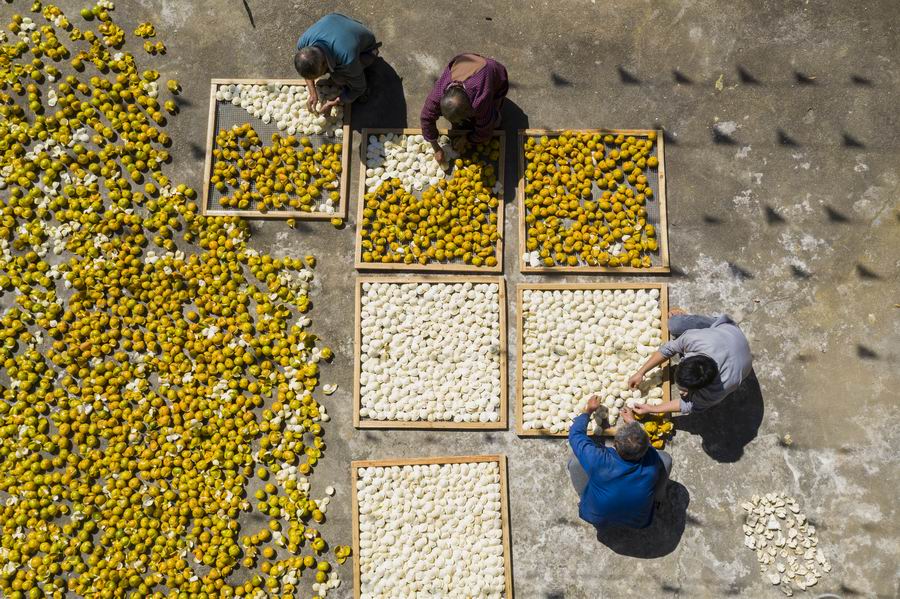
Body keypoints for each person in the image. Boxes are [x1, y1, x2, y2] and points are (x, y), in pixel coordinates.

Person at [567, 396, 672, 529]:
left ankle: (583, 496)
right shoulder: (651, 462)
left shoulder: (599, 461)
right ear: (645, 448)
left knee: (575, 461)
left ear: (615, 444)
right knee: (666, 459)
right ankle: (657, 499)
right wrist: (633, 422)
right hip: (638, 522)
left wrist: (588, 411)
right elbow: (646, 443)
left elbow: (575, 435)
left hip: (595, 516)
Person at [628, 308, 753, 416]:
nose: (681, 393)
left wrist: (653, 409)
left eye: (685, 390)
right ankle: (685, 318)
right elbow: (668, 349)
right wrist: (641, 372)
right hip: (725, 332)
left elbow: (690, 405)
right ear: (684, 360)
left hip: (734, 344)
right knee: (674, 324)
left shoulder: (719, 389)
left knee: (701, 407)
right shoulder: (694, 339)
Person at [419, 53, 509, 163]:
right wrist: (436, 148)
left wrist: (467, 138)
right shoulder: (438, 95)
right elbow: (426, 118)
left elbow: (485, 131)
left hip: (490, 72)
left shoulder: (480, 99)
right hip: (466, 62)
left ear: (469, 109)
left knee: (493, 121)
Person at [294, 13, 380, 116]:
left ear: (324, 64)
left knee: (339, 79)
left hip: (367, 48)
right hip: (340, 24)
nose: (320, 77)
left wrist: (334, 102)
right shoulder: (303, 43)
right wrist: (312, 92)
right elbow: (307, 68)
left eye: (319, 74)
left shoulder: (347, 59)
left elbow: (359, 87)